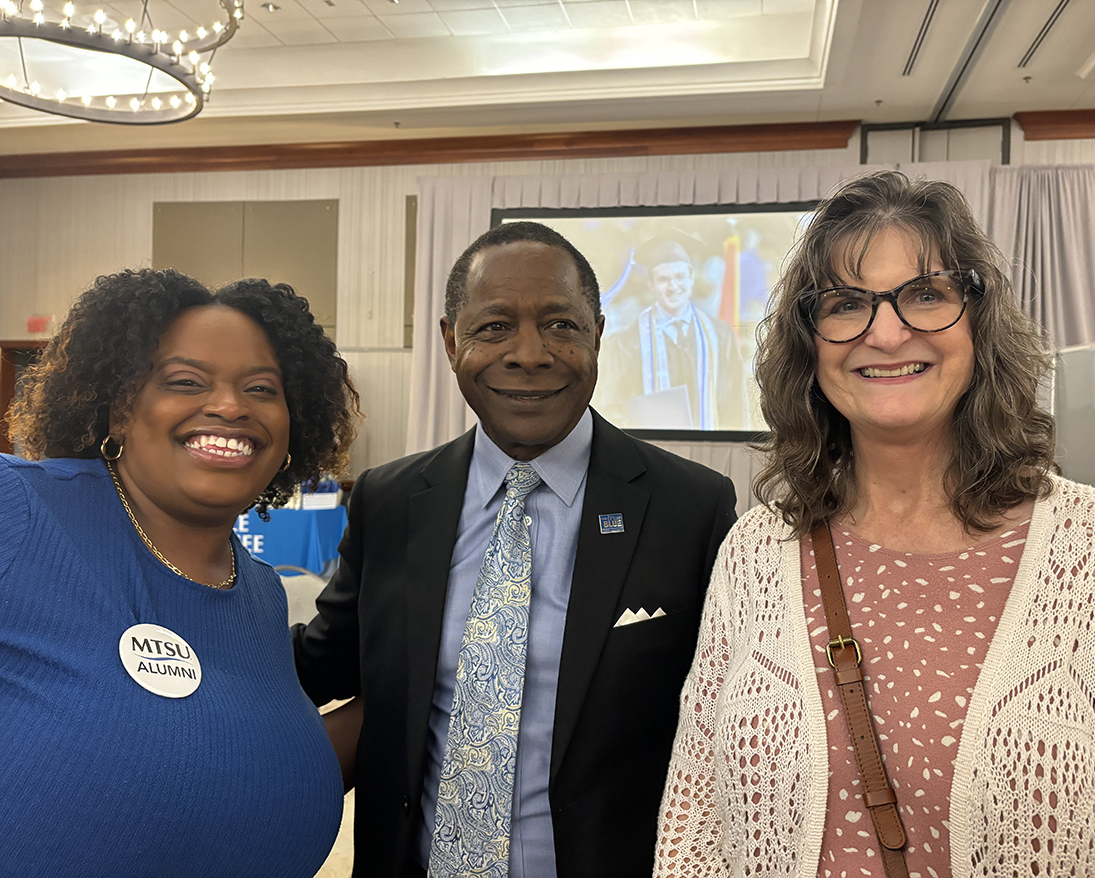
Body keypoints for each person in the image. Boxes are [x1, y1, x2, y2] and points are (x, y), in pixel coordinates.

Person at [655, 171, 1095, 877]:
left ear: (980, 320)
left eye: (926, 295)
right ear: (810, 342)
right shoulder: (755, 552)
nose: (887, 332)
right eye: (845, 303)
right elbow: (695, 833)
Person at [293, 221, 738, 878]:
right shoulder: (391, 502)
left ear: (598, 334)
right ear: (450, 341)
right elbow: (321, 665)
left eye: (560, 325)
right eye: (495, 326)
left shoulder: (691, 507)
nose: (530, 354)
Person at [0, 269, 361, 878]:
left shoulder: (263, 597)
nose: (229, 406)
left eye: (262, 389)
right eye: (185, 381)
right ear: (119, 409)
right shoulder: (19, 511)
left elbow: (237, 759)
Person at [600, 237, 748, 429]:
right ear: (651, 284)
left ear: (691, 278)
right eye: (663, 279)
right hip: (650, 452)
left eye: (679, 277)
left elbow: (736, 404)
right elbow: (612, 408)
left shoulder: (721, 335)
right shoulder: (626, 343)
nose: (673, 287)